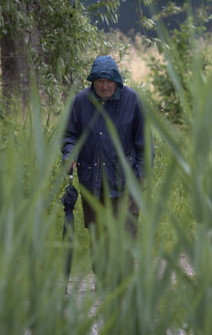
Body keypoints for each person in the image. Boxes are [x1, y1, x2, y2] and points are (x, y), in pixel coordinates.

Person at [62, 55, 150, 276]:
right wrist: (69, 153)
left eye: (109, 80)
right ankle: (102, 281)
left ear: (117, 81)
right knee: (98, 234)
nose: (104, 85)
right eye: (99, 80)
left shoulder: (132, 101)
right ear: (92, 81)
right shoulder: (81, 101)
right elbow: (70, 135)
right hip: (92, 181)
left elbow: (145, 144)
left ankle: (123, 283)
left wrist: (139, 177)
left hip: (126, 180)